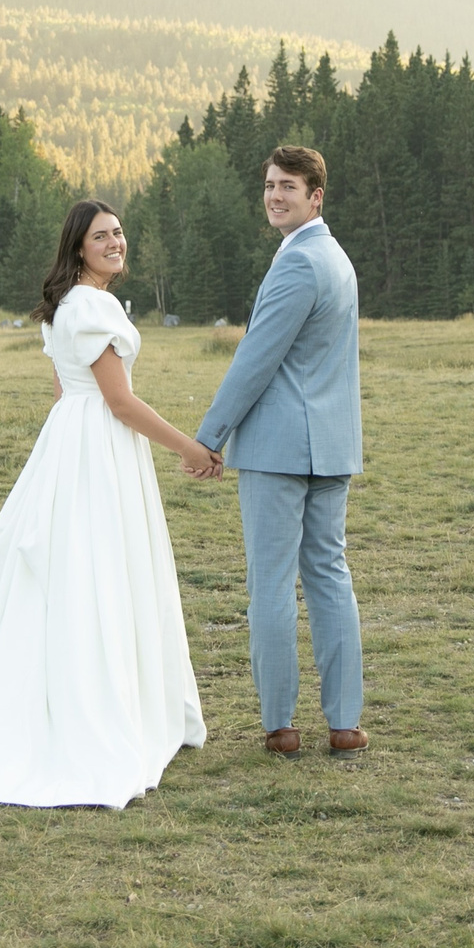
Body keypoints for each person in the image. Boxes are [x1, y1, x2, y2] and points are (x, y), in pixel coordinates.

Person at [0, 200, 216, 807]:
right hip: (100, 447)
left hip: (71, 442)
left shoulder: (65, 307)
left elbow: (67, 392)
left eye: (118, 233)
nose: (115, 243)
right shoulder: (92, 306)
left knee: (74, 571)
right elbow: (118, 401)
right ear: (78, 247)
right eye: (101, 236)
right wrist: (189, 447)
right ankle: (100, 710)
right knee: (102, 569)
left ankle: (68, 697)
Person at [193, 145, 367, 758]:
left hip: (278, 448)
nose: (274, 196)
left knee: (270, 582)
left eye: (288, 186)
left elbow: (255, 360)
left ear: (315, 197)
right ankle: (344, 723)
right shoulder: (337, 258)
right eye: (269, 185)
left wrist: (208, 437)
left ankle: (281, 726)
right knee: (329, 576)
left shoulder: (298, 263)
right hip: (332, 445)